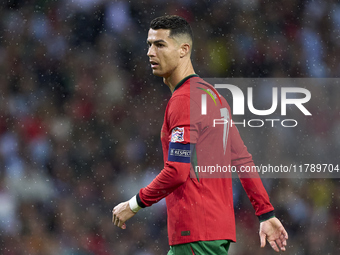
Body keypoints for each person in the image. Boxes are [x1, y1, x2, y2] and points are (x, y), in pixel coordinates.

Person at [112, 15, 288, 254]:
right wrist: (265, 213)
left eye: (160, 45)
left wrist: (133, 205)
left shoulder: (184, 100)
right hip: (212, 232)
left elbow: (177, 170)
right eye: (149, 45)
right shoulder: (214, 97)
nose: (150, 53)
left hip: (194, 233)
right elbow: (242, 159)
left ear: (184, 50)